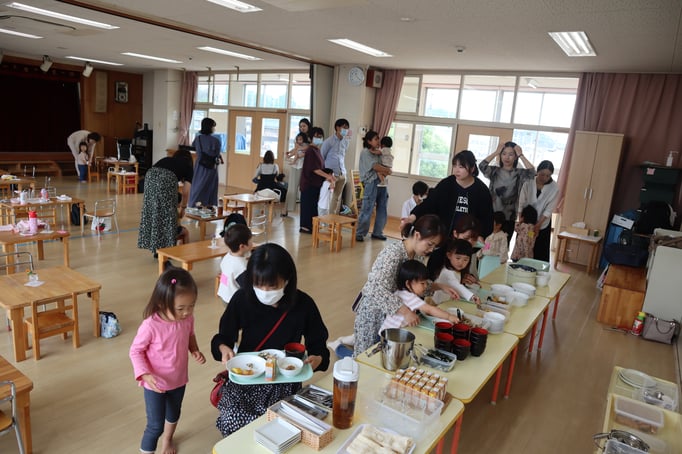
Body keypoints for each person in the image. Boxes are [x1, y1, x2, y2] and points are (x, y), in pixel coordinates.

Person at [211, 243, 330, 436]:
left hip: (284, 380)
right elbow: (223, 337)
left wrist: (318, 358)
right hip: (248, 377)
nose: (264, 291)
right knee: (234, 421)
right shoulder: (242, 298)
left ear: (287, 280)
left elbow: (318, 344)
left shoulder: (303, 304)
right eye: (258, 284)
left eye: (272, 286)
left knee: (278, 428)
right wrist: (223, 348)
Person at [353, 214, 461, 356]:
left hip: (393, 315)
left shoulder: (418, 255)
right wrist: (406, 312)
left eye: (434, 246)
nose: (431, 250)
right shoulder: (393, 254)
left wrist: (440, 286)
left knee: (383, 354)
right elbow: (375, 289)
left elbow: (417, 284)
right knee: (365, 355)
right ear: (417, 235)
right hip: (373, 312)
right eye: (430, 244)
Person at [129, 268, 206, 454]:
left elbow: (190, 334)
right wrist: (144, 374)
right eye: (180, 308)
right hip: (155, 384)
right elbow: (135, 351)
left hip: (178, 379)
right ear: (162, 303)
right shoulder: (150, 325)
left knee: (174, 414)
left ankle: (168, 440)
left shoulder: (187, 319)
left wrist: (194, 349)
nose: (187, 312)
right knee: (155, 426)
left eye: (191, 306)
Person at [405, 150, 494, 241]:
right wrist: (413, 216)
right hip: (443, 236)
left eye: (461, 167)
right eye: (454, 166)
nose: (456, 170)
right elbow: (429, 203)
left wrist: (481, 235)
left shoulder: (481, 190)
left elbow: (487, 218)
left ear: (472, 168)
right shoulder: (446, 184)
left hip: (467, 240)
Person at [138, 149, 193, 257]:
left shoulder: (167, 160)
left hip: (149, 177)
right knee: (168, 216)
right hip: (166, 179)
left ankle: (156, 249)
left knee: (154, 211)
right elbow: (186, 192)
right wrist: (183, 208)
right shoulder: (188, 167)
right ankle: (166, 252)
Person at [380, 260, 460, 332]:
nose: (426, 286)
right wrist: (449, 316)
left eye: (426, 283)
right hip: (392, 334)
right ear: (408, 284)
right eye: (422, 283)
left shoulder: (399, 292)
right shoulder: (410, 297)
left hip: (386, 331)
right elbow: (430, 310)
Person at [479, 141, 535, 244]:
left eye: (511, 154)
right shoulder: (494, 171)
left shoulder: (519, 173)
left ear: (515, 157)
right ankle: (486, 254)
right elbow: (482, 165)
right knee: (488, 243)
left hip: (509, 217)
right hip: (492, 215)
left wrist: (521, 155)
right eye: (504, 154)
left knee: (504, 245)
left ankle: (500, 257)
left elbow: (532, 172)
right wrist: (496, 152)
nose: (507, 157)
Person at [517, 160, 559, 262]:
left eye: (548, 176)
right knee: (522, 247)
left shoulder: (554, 188)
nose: (544, 178)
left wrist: (538, 225)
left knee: (539, 252)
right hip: (526, 221)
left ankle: (537, 269)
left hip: (542, 223)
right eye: (542, 174)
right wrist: (520, 219)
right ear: (537, 171)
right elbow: (521, 202)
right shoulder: (528, 182)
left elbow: (549, 210)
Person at [356, 130, 392, 242]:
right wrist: (387, 170)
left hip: (381, 183)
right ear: (369, 141)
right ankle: (360, 233)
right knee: (367, 208)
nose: (378, 141)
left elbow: (385, 165)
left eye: (378, 139)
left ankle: (377, 232)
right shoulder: (365, 152)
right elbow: (376, 166)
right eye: (376, 139)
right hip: (371, 182)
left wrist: (386, 170)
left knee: (382, 207)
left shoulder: (378, 152)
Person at [299, 131, 335, 234]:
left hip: (315, 184)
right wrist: (328, 176)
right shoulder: (311, 150)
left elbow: (321, 167)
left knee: (313, 206)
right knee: (308, 206)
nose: (318, 138)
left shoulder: (317, 150)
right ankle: (305, 227)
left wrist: (328, 175)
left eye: (320, 136)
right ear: (311, 138)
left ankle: (312, 226)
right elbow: (314, 169)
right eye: (316, 136)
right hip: (308, 183)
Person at [433, 239, 481, 304]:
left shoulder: (456, 270)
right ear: (449, 255)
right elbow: (457, 286)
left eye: (465, 260)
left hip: (449, 302)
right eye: (458, 258)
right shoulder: (447, 272)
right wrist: (472, 296)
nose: (461, 262)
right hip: (439, 303)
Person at [189, 117, 222, 208]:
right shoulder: (216, 141)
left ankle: (193, 205)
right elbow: (217, 154)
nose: (214, 129)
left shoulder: (198, 139)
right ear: (210, 127)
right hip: (212, 167)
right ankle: (209, 205)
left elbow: (193, 147)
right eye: (213, 126)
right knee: (210, 187)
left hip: (200, 166)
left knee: (197, 186)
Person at [217, 224, 254, 305]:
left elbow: (224, 275)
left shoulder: (227, 256)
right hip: (233, 299)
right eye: (251, 241)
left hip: (224, 293)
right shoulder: (241, 267)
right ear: (242, 246)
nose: (252, 243)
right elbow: (247, 288)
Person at [320, 118, 350, 214]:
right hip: (331, 174)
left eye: (347, 128)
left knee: (337, 198)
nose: (346, 130)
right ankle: (324, 218)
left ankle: (332, 217)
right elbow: (322, 157)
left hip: (342, 173)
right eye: (344, 127)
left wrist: (343, 173)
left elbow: (343, 155)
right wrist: (325, 174)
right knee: (327, 196)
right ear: (337, 127)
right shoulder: (328, 141)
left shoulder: (346, 141)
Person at [284, 132, 310, 217]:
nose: (299, 141)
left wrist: (293, 153)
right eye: (298, 139)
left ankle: (290, 208)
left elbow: (299, 153)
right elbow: (294, 150)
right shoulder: (299, 145)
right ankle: (288, 208)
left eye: (300, 139)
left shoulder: (306, 145)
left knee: (299, 188)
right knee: (292, 188)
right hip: (296, 166)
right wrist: (289, 153)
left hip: (301, 166)